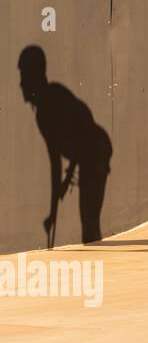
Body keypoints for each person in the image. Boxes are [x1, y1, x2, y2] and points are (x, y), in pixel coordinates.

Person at [18, 46, 113, 246]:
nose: (21, 83)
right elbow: (62, 156)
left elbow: (77, 140)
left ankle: (99, 266)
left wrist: (63, 186)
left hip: (96, 153)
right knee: (88, 219)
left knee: (89, 218)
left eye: (24, 76)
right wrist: (54, 210)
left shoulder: (50, 104)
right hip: (92, 154)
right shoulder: (46, 107)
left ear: (34, 75)